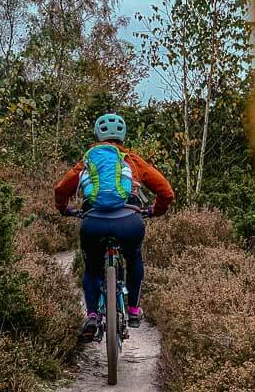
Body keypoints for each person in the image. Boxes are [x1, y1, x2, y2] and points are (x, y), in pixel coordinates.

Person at [55, 113, 175, 341]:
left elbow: (61, 190)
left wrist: (64, 209)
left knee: (92, 269)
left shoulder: (88, 160)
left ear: (97, 135)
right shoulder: (134, 161)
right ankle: (133, 311)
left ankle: (92, 315)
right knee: (134, 258)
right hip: (129, 222)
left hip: (94, 223)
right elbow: (166, 192)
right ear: (123, 136)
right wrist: (154, 211)